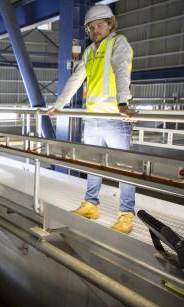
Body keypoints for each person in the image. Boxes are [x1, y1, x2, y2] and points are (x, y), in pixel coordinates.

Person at [46, 4, 136, 234]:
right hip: (93, 117)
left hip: (115, 118)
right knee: (92, 165)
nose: (95, 30)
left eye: (99, 25)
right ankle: (91, 205)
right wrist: (58, 106)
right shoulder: (88, 52)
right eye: (91, 27)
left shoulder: (118, 43)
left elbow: (121, 71)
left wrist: (123, 103)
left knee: (124, 169)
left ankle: (126, 215)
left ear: (110, 24)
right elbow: (76, 80)